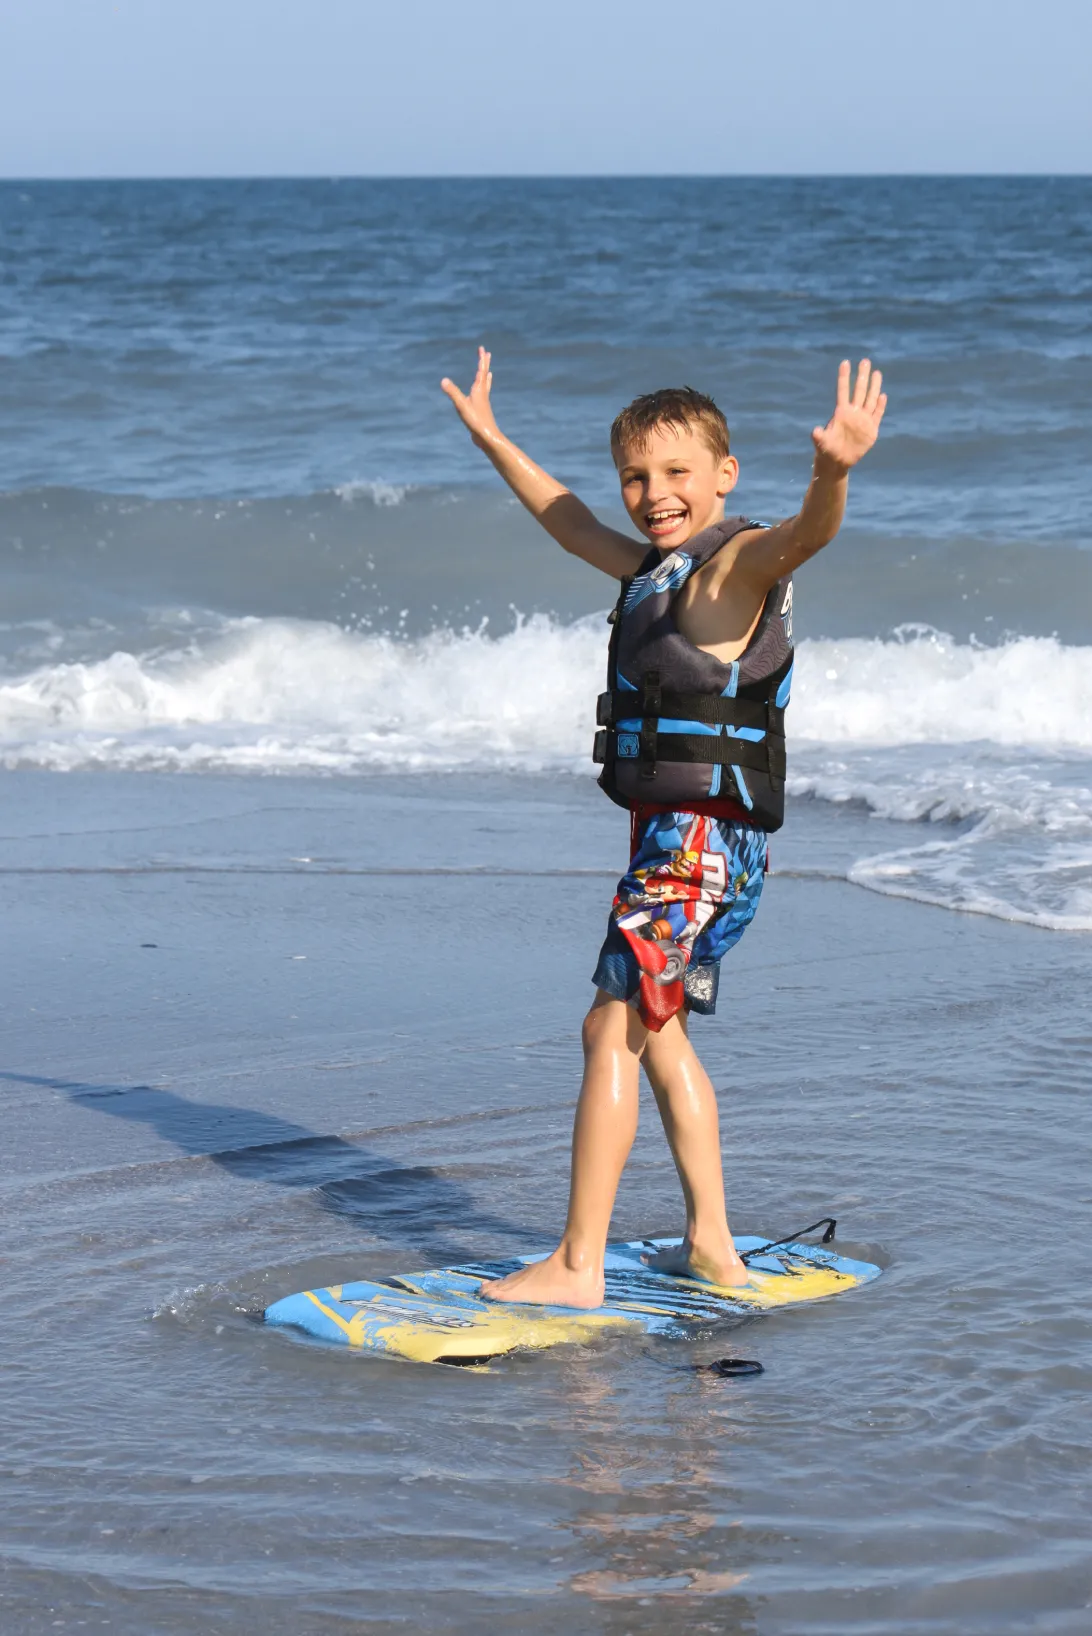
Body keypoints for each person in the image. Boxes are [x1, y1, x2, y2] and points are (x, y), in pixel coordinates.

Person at [441, 349, 886, 1307]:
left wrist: (835, 472)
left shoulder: (732, 565)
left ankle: (576, 1266)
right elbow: (569, 527)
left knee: (610, 1029)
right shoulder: (656, 569)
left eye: (677, 472)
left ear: (724, 475)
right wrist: (492, 440)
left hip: (693, 851)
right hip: (704, 850)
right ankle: (715, 1247)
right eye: (637, 477)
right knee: (662, 1033)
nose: (654, 494)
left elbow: (805, 539)